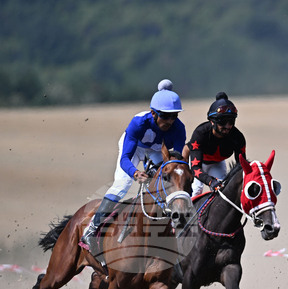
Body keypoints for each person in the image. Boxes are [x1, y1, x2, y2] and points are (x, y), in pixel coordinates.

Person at [80, 80, 186, 252]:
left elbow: (177, 161)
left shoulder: (179, 129)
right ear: (153, 113)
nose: (170, 121)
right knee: (123, 185)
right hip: (134, 148)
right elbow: (125, 158)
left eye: (174, 116)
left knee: (168, 181)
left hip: (156, 151)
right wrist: (136, 173)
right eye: (166, 116)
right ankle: (93, 228)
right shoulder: (139, 123)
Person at [185, 92, 247, 196]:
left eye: (231, 121)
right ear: (212, 122)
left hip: (218, 164)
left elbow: (241, 166)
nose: (227, 126)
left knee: (223, 192)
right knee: (196, 190)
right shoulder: (200, 133)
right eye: (222, 122)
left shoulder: (238, 137)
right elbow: (195, 168)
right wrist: (211, 181)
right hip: (200, 164)